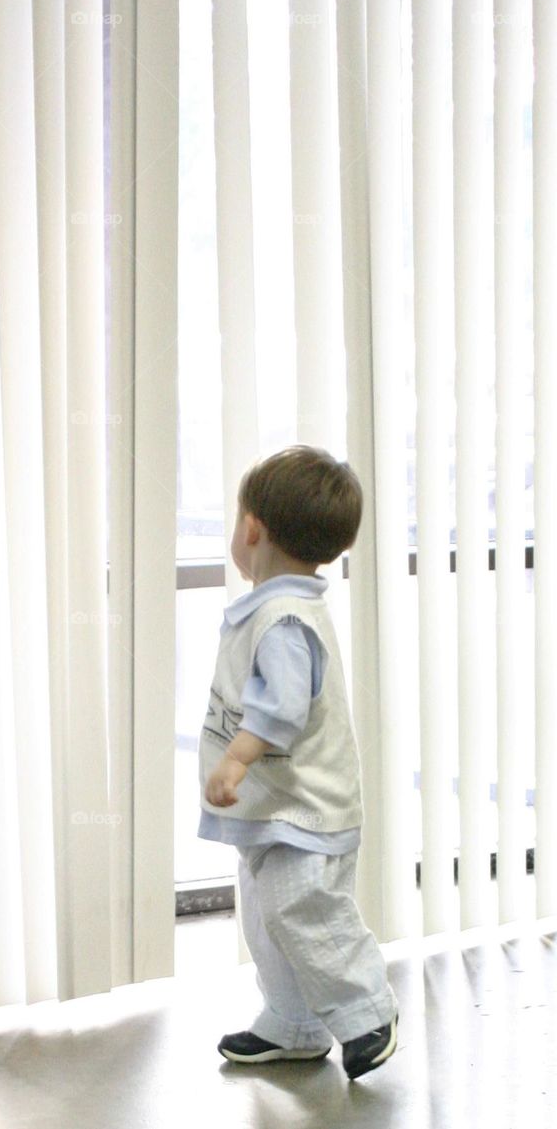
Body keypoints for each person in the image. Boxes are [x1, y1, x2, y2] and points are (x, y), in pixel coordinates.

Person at [199, 445, 398, 1081]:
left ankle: (367, 1011)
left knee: (303, 910)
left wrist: (234, 762)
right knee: (266, 919)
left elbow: (280, 707)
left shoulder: (284, 618)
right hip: (277, 811)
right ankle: (293, 1022)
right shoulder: (274, 609)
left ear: (250, 527)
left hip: (306, 812)